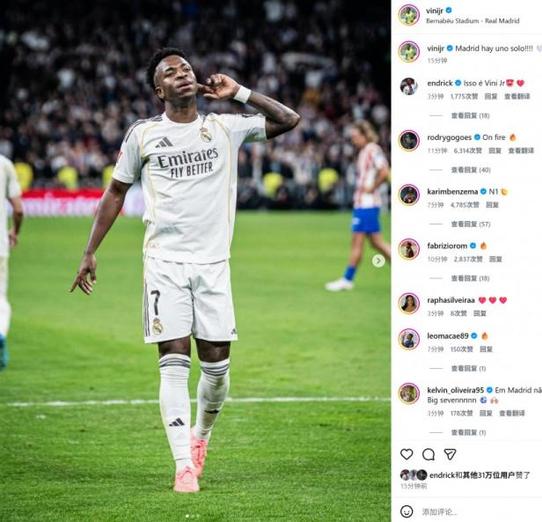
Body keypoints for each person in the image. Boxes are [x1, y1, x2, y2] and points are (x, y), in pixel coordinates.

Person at [70, 48, 300, 493]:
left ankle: (200, 437)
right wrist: (89, 251)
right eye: (170, 72)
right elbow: (115, 193)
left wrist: (239, 92)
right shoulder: (143, 135)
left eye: (186, 69)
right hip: (164, 263)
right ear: (159, 90)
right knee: (173, 364)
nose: (182, 74)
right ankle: (182, 466)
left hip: (213, 265)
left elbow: (289, 119)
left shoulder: (224, 127)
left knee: (217, 370)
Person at [325, 121, 391, 292]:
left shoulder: (372, 150)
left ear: (364, 135)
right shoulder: (365, 151)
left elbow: (384, 171)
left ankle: (347, 279)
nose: (353, 140)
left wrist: (372, 187)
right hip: (364, 204)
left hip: (366, 204)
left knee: (357, 242)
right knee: (376, 243)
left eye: (355, 136)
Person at [0, 154, 23, 370]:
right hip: (0, 246)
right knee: (1, 299)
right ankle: (0, 332)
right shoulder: (4, 164)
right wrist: (15, 231)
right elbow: (18, 209)